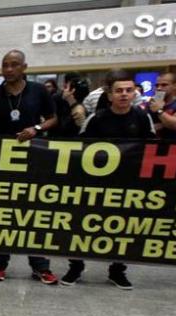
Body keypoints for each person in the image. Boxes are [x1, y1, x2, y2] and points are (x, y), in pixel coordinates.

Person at [61, 69, 156, 290]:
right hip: (97, 185)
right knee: (82, 226)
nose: (124, 94)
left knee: (122, 229)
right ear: (110, 94)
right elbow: (81, 149)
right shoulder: (96, 119)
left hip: (128, 185)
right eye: (119, 91)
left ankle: (117, 270)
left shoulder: (142, 118)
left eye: (129, 90)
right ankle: (76, 267)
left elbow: (153, 149)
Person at [0, 49, 59, 284]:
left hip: (32, 162)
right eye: (5, 65)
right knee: (3, 215)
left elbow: (53, 119)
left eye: (14, 64)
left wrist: (36, 129)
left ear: (24, 67)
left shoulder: (38, 91)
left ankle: (40, 266)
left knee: (32, 214)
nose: (9, 69)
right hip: (1, 163)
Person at [149, 73, 176, 139]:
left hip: (174, 143)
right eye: (157, 85)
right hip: (152, 143)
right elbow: (145, 128)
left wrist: (159, 111)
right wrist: (170, 121)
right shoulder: (151, 104)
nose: (159, 88)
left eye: (164, 85)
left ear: (175, 86)